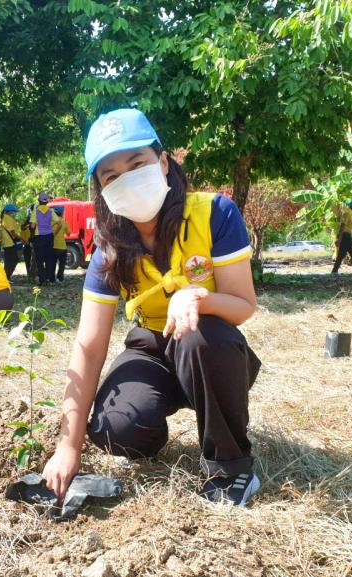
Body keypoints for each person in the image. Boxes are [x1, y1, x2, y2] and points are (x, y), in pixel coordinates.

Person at [41, 108, 262, 507]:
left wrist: (199, 297)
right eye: (111, 176)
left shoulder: (215, 214)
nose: (127, 178)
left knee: (197, 337)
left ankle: (232, 469)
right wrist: (68, 445)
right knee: (114, 427)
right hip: (151, 347)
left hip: (208, 343)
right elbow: (89, 345)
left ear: (162, 162)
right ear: (102, 191)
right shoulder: (108, 252)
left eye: (137, 163)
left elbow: (244, 305)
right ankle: (151, 424)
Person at [30, 192, 61, 285]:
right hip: (49, 236)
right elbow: (59, 223)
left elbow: (32, 226)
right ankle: (48, 278)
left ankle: (42, 280)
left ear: (38, 201)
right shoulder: (51, 211)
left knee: (39, 260)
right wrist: (54, 232)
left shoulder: (35, 211)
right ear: (47, 201)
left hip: (39, 237)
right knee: (49, 259)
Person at [331, 200, 352, 275]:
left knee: (342, 254)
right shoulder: (347, 213)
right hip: (345, 235)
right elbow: (343, 225)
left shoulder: (351, 214)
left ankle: (334, 271)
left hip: (347, 235)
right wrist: (339, 238)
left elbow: (351, 227)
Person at [0, 203, 22, 280]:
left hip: (8, 243)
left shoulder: (6, 218)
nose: (14, 213)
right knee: (12, 261)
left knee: (10, 261)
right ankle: (6, 277)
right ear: (9, 211)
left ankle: (7, 277)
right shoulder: (8, 219)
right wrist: (22, 238)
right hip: (10, 243)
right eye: (13, 212)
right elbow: (13, 233)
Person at [52, 205, 70, 282]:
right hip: (62, 247)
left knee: (52, 264)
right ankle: (60, 278)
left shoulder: (51, 222)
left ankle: (51, 278)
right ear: (62, 213)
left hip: (53, 246)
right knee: (62, 264)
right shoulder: (64, 222)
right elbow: (68, 233)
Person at [21, 206, 36, 280]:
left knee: (34, 259)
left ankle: (33, 274)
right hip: (27, 244)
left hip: (33, 243)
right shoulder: (27, 223)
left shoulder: (36, 220)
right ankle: (29, 274)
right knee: (28, 260)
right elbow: (22, 228)